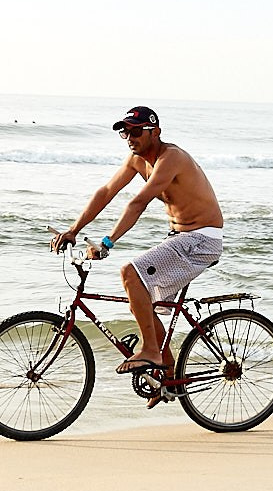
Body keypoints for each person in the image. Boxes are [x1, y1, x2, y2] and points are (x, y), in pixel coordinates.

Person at [49, 105, 226, 375]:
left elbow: (139, 202)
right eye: (125, 132)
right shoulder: (137, 160)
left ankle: (151, 352)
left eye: (136, 131)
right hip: (182, 237)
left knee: (131, 274)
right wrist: (73, 229)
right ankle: (167, 374)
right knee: (140, 299)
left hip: (201, 238)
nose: (130, 137)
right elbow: (106, 192)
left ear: (155, 132)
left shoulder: (172, 158)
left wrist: (107, 243)